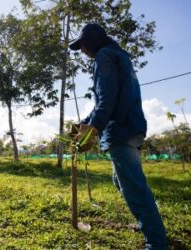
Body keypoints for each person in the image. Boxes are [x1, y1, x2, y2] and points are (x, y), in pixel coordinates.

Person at [69, 23, 168, 250]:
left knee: (134, 188)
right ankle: (148, 225)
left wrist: (92, 131)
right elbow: (107, 99)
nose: (82, 50)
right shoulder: (119, 55)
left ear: (92, 41)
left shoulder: (103, 56)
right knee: (121, 181)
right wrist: (84, 123)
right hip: (132, 125)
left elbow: (107, 99)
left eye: (83, 45)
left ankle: (156, 242)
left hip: (120, 128)